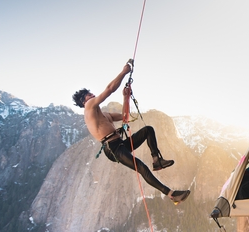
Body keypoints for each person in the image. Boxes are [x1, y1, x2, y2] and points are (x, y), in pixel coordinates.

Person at [72, 62, 190, 204]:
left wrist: (125, 97)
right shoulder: (89, 107)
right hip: (113, 148)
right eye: (87, 94)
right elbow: (109, 89)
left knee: (148, 130)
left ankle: (156, 160)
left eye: (90, 93)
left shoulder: (105, 115)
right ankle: (171, 194)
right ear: (83, 101)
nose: (91, 94)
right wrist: (123, 72)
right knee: (141, 167)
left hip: (120, 144)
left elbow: (124, 117)